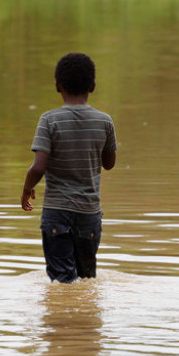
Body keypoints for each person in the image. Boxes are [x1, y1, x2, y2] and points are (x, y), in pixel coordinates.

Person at [21, 52, 118, 283]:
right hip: (89, 214)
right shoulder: (105, 121)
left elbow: (38, 166)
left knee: (62, 282)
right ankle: (85, 318)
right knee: (86, 280)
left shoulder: (49, 120)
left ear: (57, 85)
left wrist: (26, 189)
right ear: (92, 86)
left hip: (57, 213)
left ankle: (63, 319)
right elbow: (109, 164)